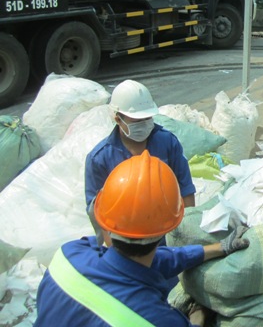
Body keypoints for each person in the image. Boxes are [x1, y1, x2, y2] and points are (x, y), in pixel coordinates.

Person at [35, 151, 249, 327]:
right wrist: (198, 317)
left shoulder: (67, 256)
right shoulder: (158, 319)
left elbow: (139, 260)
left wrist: (218, 248)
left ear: (105, 223)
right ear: (167, 229)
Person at [85, 79, 196, 242]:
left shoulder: (167, 143)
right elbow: (97, 211)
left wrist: (185, 238)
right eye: (137, 121)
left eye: (148, 118)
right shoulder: (99, 158)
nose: (144, 125)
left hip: (166, 233)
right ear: (117, 119)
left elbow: (186, 190)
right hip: (125, 240)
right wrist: (115, 250)